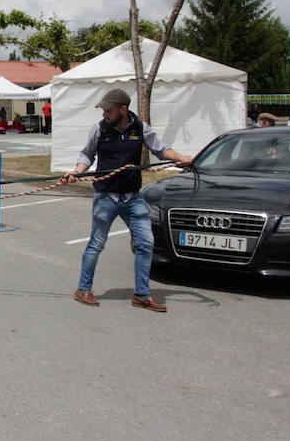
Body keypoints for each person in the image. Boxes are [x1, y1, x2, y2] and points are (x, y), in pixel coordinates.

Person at [61, 88, 192, 313]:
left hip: (133, 198)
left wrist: (180, 158)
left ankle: (142, 295)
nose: (104, 114)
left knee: (146, 243)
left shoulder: (141, 128)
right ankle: (83, 290)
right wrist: (77, 171)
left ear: (123, 109)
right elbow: (87, 154)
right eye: (103, 110)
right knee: (97, 244)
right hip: (106, 197)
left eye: (108, 110)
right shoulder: (100, 129)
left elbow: (160, 149)